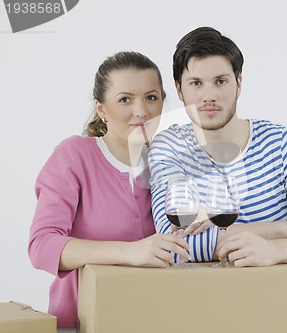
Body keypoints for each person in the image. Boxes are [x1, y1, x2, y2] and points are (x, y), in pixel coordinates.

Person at [149, 27, 287, 267]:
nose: (208, 95)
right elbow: (174, 246)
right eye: (196, 83)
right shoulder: (169, 148)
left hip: (277, 298)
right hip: (201, 299)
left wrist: (275, 251)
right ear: (179, 89)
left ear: (238, 83)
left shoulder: (281, 146)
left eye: (220, 81)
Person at [28, 51, 190, 329]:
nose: (141, 111)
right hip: (82, 322)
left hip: (157, 318)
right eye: (125, 99)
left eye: (151, 97)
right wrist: (130, 252)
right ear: (102, 109)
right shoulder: (74, 155)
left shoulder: (170, 161)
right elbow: (41, 246)